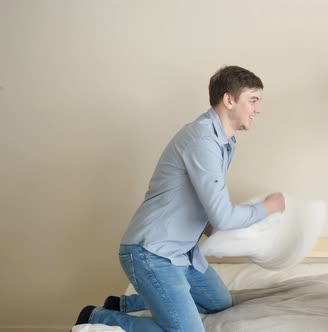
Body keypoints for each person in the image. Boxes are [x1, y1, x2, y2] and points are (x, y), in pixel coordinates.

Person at [72, 65, 285, 331]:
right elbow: (222, 214)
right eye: (253, 100)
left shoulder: (225, 142)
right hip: (151, 253)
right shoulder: (203, 140)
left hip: (183, 251)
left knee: (219, 302)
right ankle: (96, 316)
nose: (259, 109)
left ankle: (122, 304)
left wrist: (215, 229)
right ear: (229, 100)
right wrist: (267, 208)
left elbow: (203, 201)